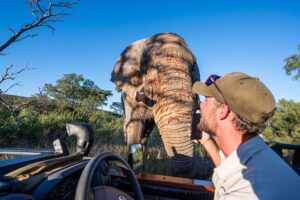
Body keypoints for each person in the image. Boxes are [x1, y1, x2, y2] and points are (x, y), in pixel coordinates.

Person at [191, 72, 299, 200]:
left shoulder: (247, 192)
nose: (201, 105)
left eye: (206, 100)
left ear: (222, 111)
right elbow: (229, 166)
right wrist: (206, 141)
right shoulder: (257, 155)